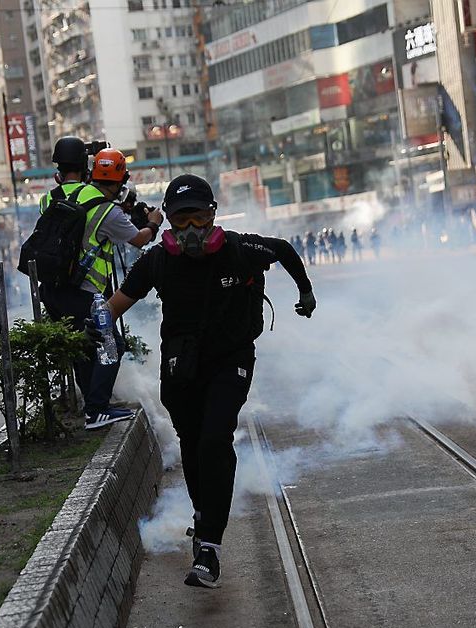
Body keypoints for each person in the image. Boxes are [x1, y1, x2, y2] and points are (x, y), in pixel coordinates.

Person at [93, 174, 316, 589]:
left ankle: (209, 546)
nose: (191, 230)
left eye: (198, 219)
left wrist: (305, 291)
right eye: (181, 221)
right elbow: (119, 301)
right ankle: (202, 516)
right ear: (171, 224)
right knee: (194, 448)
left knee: (216, 439)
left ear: (213, 215)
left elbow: (283, 250)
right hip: (180, 370)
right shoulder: (158, 260)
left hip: (231, 361)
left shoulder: (239, 248)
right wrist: (95, 322)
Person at [39, 140, 163, 430]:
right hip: (83, 291)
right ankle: (96, 411)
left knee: (84, 346)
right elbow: (140, 239)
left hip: (52, 289)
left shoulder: (50, 198)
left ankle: (93, 406)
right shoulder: (106, 209)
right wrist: (153, 222)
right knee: (112, 345)